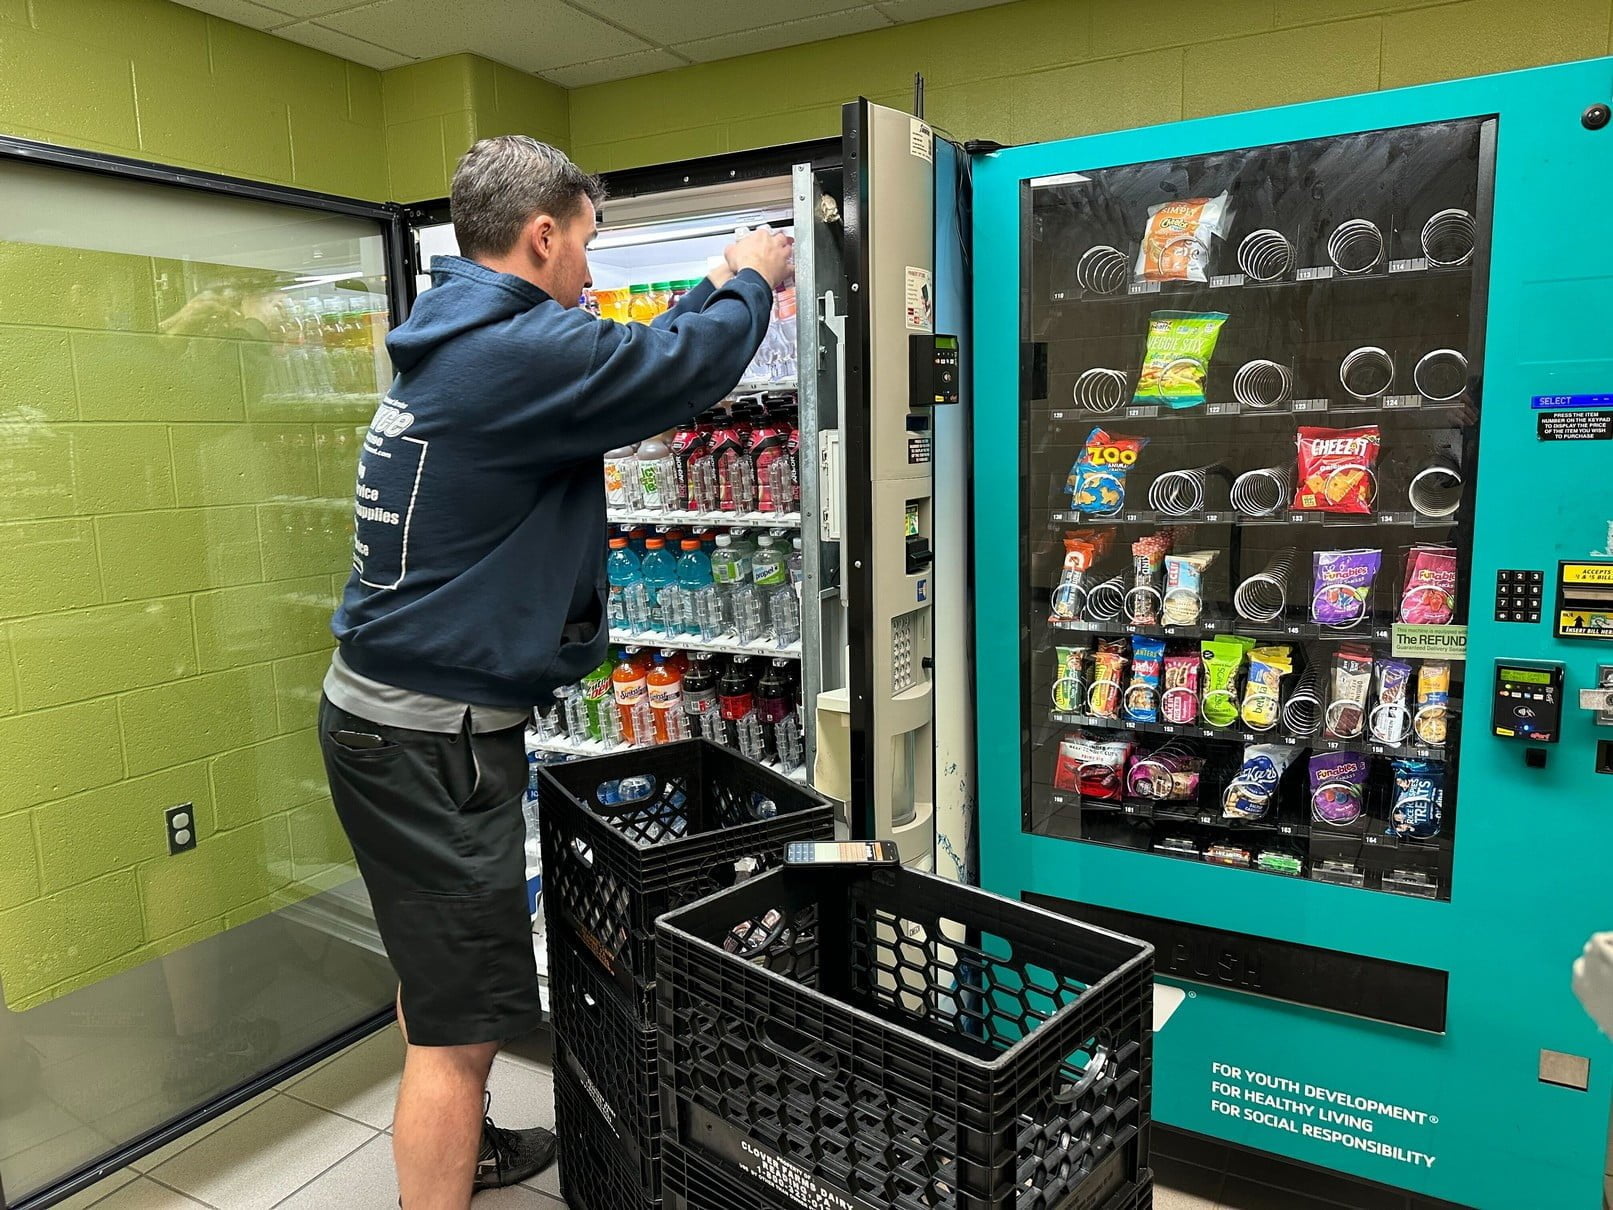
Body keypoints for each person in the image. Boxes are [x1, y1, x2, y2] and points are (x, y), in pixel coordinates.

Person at [317, 135, 792, 1209]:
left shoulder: (460, 335)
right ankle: (440, 1168)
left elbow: (624, 352)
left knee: (435, 979)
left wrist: (711, 288)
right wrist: (756, 280)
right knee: (461, 1032)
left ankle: (464, 1142)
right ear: (541, 233)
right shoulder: (517, 353)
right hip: (431, 740)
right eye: (585, 242)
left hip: (387, 719)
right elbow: (679, 369)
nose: (590, 267)